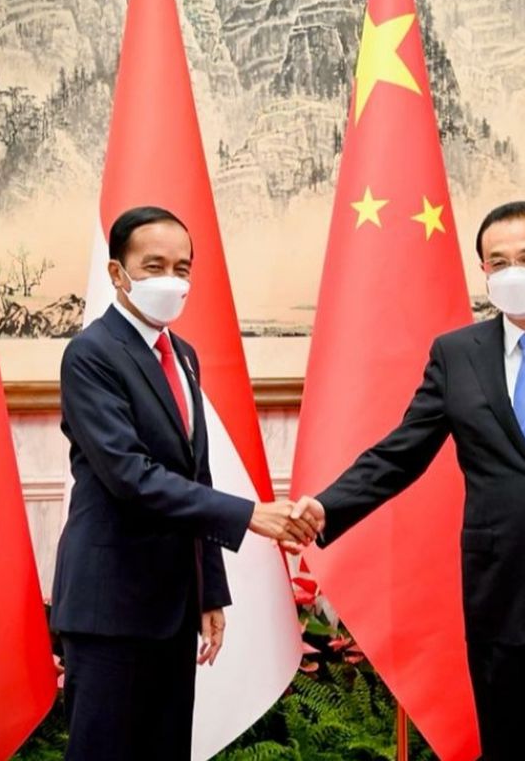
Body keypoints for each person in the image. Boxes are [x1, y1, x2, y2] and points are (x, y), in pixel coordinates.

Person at [293, 201, 525, 760]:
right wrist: (327, 508)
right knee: (505, 748)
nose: (514, 272)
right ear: (485, 273)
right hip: (500, 591)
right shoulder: (456, 355)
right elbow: (402, 453)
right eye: (499, 261)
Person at [51, 206, 322, 760]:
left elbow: (194, 474)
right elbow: (131, 476)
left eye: (182, 268)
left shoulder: (183, 356)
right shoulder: (91, 355)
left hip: (171, 607)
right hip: (111, 607)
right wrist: (250, 514)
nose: (171, 282)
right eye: (154, 266)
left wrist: (209, 592)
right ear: (117, 273)